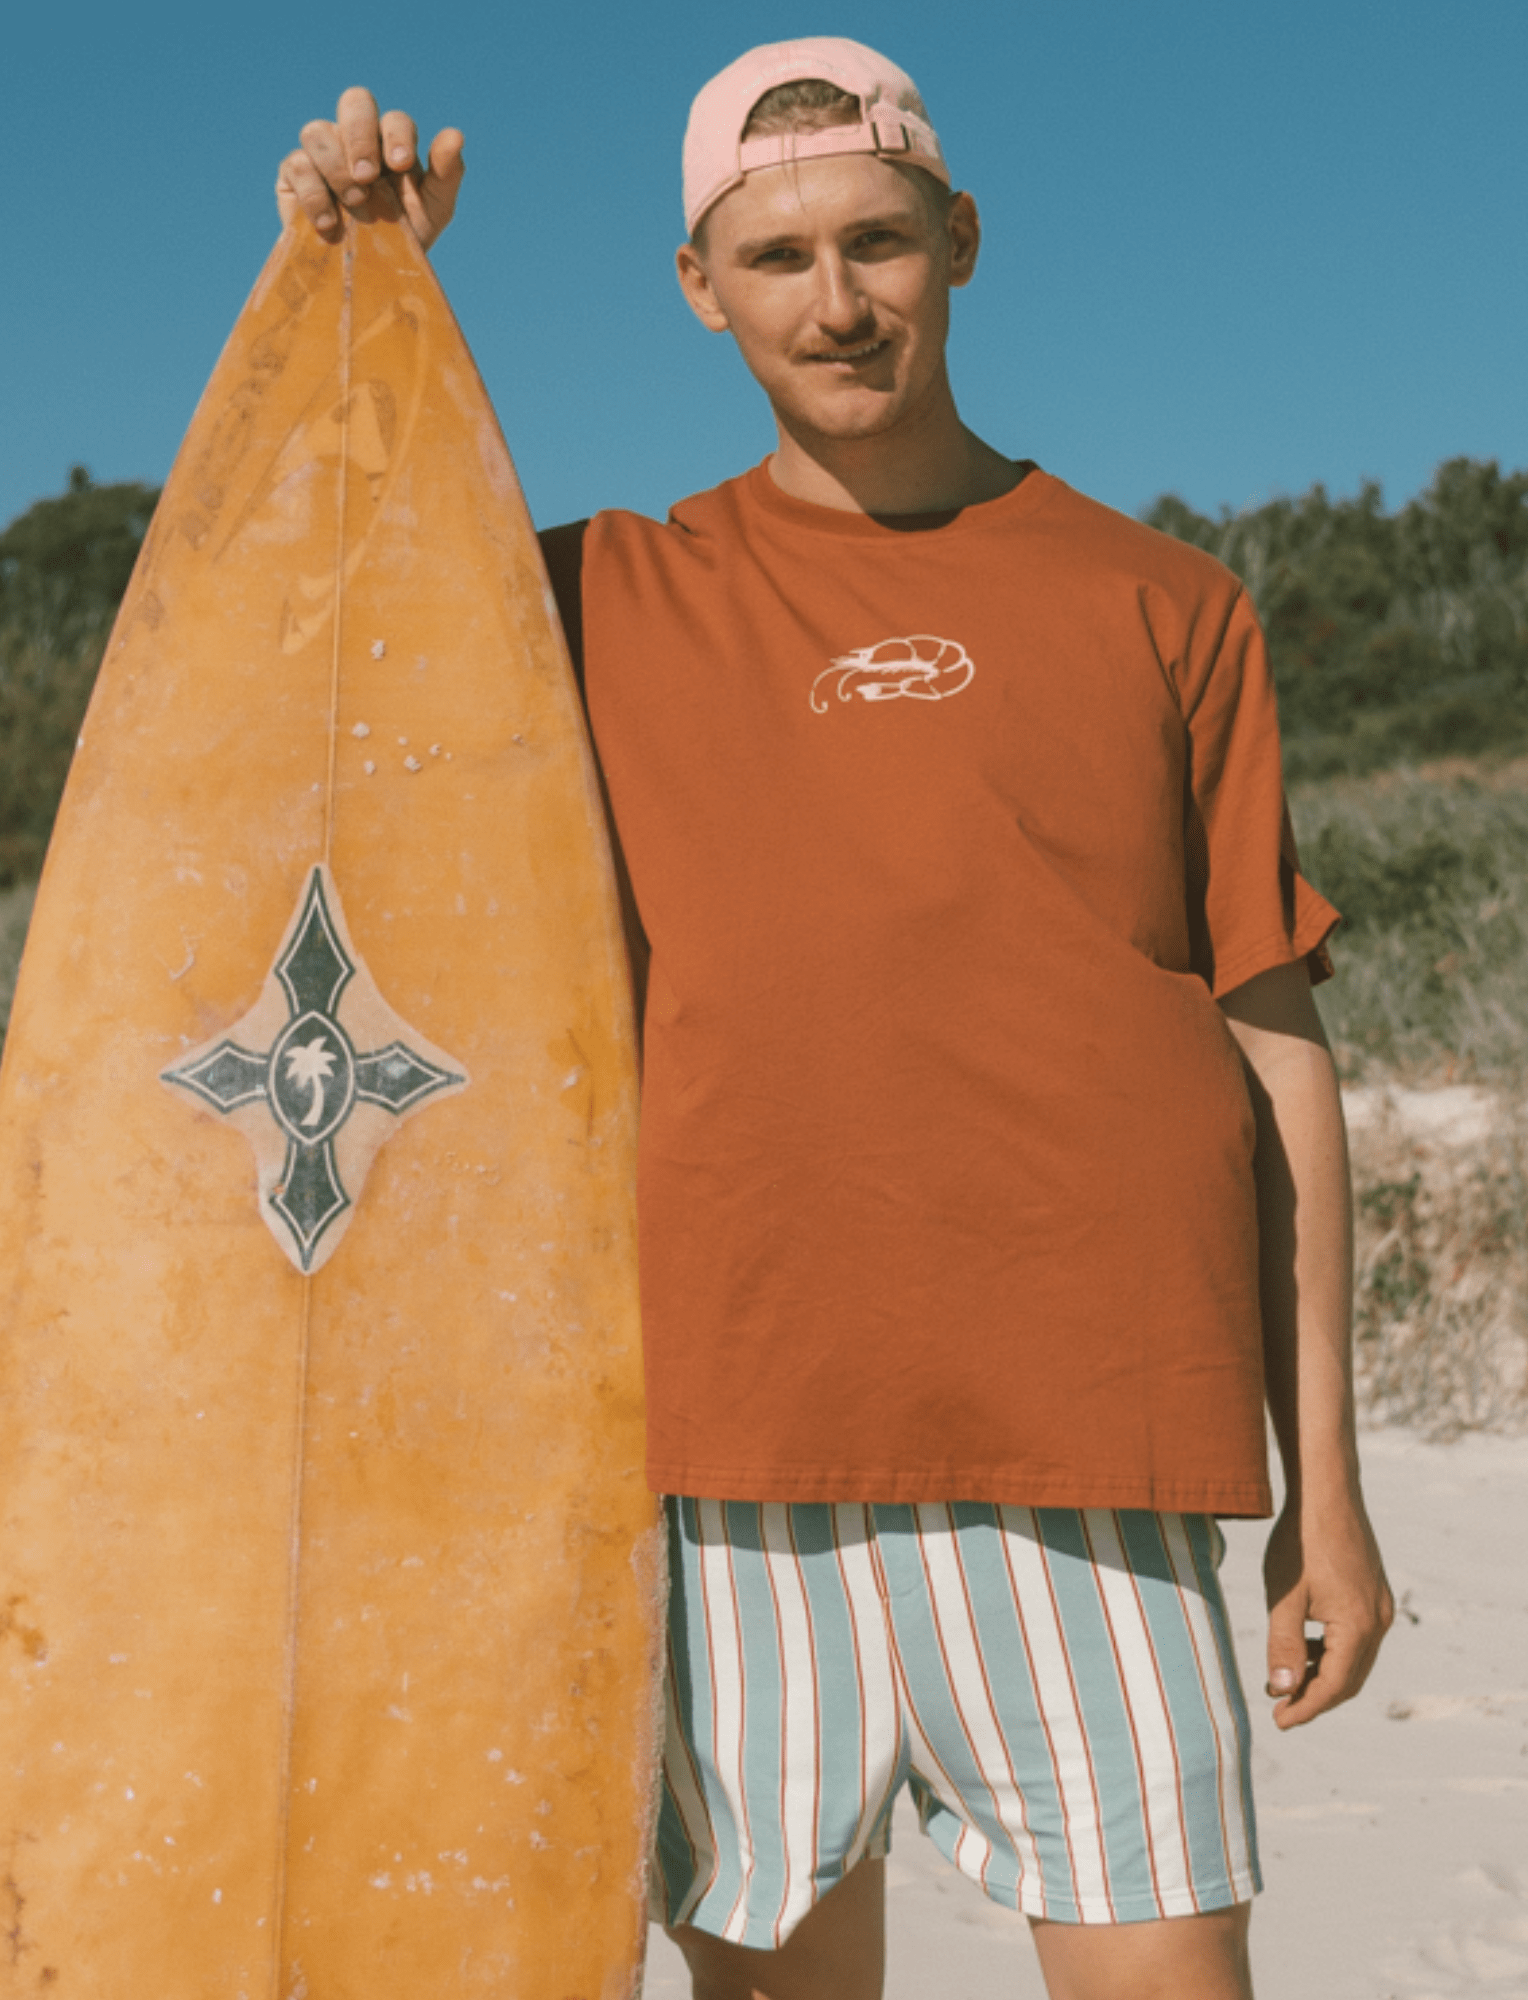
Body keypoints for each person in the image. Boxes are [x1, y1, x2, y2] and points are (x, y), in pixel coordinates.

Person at [277, 39, 1393, 2000]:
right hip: (731, 1459)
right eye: (775, 256)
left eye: (876, 241)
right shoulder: (597, 599)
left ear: (958, 239)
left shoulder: (1164, 604)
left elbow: (1274, 1052)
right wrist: (358, 294)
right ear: (698, 288)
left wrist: (1332, 1490)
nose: (836, 300)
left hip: (1098, 1448)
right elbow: (311, 623)